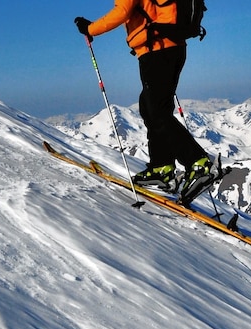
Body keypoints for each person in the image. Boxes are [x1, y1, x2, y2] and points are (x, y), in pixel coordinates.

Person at [75, 0, 214, 201]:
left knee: (156, 110)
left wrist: (90, 29)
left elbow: (122, 11)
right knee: (151, 108)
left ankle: (198, 163)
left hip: (156, 49)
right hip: (169, 47)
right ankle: (161, 168)